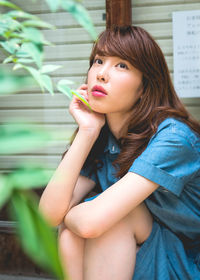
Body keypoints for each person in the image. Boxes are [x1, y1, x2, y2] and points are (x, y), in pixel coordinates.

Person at [39, 25, 200, 280]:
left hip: (187, 264)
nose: (101, 74)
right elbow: (48, 216)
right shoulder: (104, 139)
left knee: (110, 221)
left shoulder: (173, 138)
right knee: (75, 230)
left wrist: (72, 215)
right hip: (147, 251)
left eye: (122, 65)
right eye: (99, 60)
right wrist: (88, 131)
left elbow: (90, 223)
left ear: (144, 87)